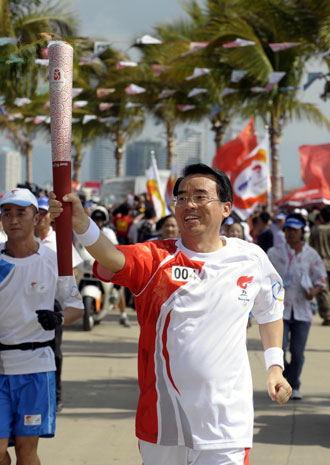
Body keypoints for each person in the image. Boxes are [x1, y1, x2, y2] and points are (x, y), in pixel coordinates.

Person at [49, 163, 291, 465]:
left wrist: (275, 367)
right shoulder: (155, 257)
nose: (189, 204)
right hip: (163, 421)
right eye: (182, 197)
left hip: (227, 423)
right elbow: (111, 257)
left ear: (226, 208)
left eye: (200, 196)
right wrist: (81, 223)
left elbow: (270, 312)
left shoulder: (251, 259)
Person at [0, 188, 84, 465]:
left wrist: (59, 318)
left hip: (36, 367)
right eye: (6, 213)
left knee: (26, 453)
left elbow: (76, 307)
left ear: (36, 218)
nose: (13, 219)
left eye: (21, 213)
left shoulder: (54, 259)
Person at [268, 213, 327, 400]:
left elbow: (321, 279)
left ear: (302, 232)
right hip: (280, 311)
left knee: (298, 352)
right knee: (281, 348)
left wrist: (314, 291)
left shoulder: (311, 255)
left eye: (295, 230)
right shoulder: (274, 253)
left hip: (302, 310)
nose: (291, 233)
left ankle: (294, 384)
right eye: (288, 230)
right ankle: (285, 379)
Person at [34, 195, 84, 412]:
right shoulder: (24, 241)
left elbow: (72, 273)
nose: (41, 217)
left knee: (53, 351)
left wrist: (65, 304)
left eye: (45, 213)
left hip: (53, 303)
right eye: (38, 213)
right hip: (27, 301)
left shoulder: (60, 240)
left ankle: (56, 394)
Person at [90, 206, 130, 327]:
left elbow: (116, 248)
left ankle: (123, 315)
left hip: (107, 265)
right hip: (90, 264)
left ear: (104, 220)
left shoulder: (108, 233)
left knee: (118, 288)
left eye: (100, 219)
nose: (98, 222)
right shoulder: (87, 231)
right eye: (96, 219)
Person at [309, 205, 330, 325]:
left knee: (324, 291)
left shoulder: (315, 230)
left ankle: (327, 315)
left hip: (321, 263)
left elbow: (311, 246)